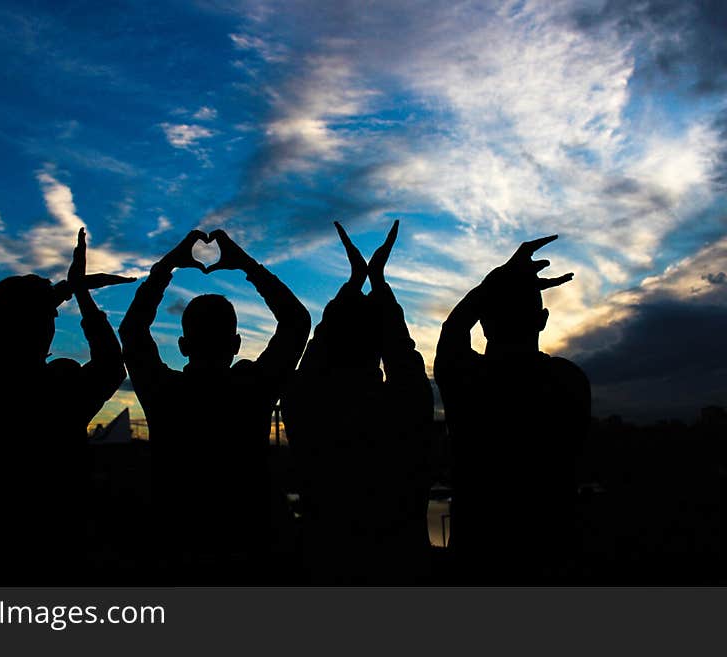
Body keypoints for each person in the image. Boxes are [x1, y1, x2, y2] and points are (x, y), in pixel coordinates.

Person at [118, 229, 311, 581]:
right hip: (254, 554)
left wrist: (167, 267)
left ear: (182, 345)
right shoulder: (254, 388)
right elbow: (297, 321)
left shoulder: (163, 392)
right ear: (237, 344)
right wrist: (246, 265)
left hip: (176, 555)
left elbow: (132, 330)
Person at [0, 228, 130, 581]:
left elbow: (4, 327)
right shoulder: (53, 385)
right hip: (55, 545)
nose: (54, 323)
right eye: (50, 316)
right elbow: (111, 366)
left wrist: (61, 292)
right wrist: (80, 294)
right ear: (39, 324)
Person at [282, 221, 435, 583]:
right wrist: (378, 284)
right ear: (380, 346)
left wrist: (354, 283)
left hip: (325, 565)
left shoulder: (308, 407)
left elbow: (312, 361)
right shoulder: (406, 403)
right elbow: (404, 354)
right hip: (400, 569)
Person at [434, 235, 590, 582]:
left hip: (478, 560)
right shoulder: (569, 381)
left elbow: (453, 329)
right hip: (553, 559)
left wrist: (494, 282)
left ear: (485, 324)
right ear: (543, 319)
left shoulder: (465, 380)